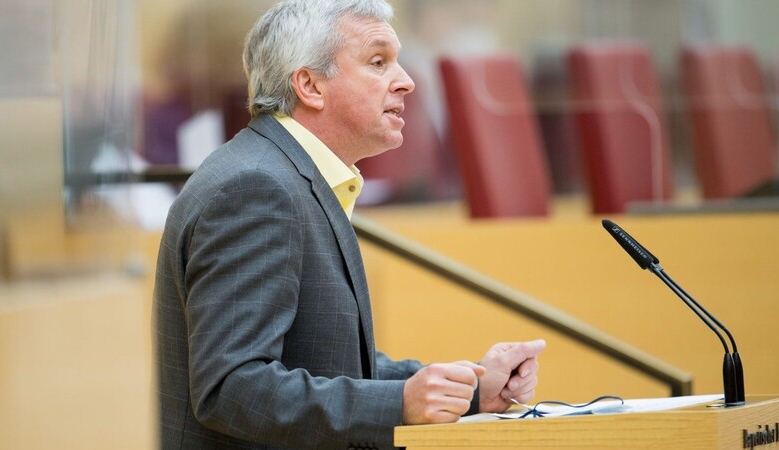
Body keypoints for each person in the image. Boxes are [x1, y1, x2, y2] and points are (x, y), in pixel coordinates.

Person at [153, 1, 546, 448]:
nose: (407, 80)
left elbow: (325, 359)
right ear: (310, 85)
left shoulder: (287, 175)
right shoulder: (256, 188)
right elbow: (231, 388)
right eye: (378, 62)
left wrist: (467, 391)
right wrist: (398, 403)